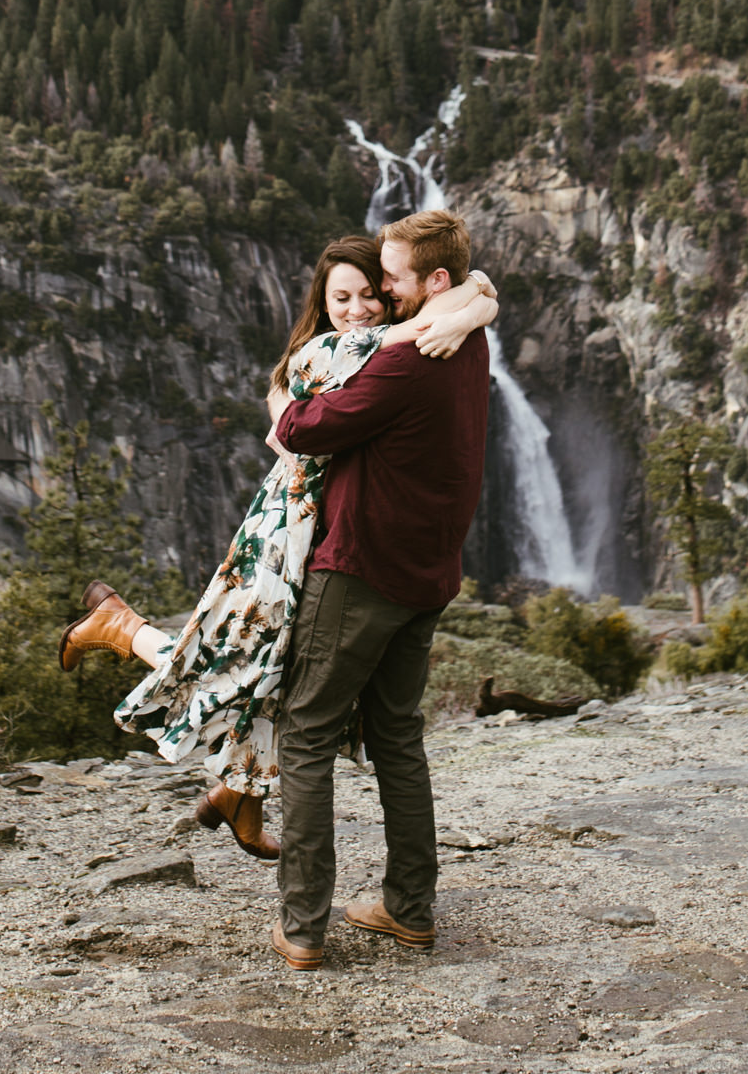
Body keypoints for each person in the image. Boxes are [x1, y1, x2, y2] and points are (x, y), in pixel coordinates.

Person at [56, 230, 497, 862]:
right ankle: (121, 629)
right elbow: (386, 343)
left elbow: (428, 311)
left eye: (372, 293)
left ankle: (240, 792)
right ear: (322, 302)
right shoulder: (327, 355)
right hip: (287, 530)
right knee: (237, 660)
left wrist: (475, 301)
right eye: (340, 297)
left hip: (328, 527)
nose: (359, 308)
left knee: (273, 668)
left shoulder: (361, 346)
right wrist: (474, 304)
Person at [267, 205, 491, 970]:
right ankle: (409, 909)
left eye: (390, 281)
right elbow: (478, 288)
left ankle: (302, 928)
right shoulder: (464, 332)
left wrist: (279, 399)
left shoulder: (401, 360)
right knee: (396, 736)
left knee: (304, 733)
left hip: (363, 569)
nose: (383, 296)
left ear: (433, 280)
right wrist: (477, 297)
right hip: (430, 571)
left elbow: (301, 429)